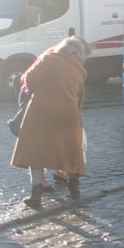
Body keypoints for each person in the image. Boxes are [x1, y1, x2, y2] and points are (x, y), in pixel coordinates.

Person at [11, 36, 89, 209]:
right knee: (70, 151)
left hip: (41, 112)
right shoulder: (80, 71)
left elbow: (29, 80)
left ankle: (36, 194)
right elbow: (80, 99)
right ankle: (74, 189)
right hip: (68, 115)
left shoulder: (49, 59)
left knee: (35, 151)